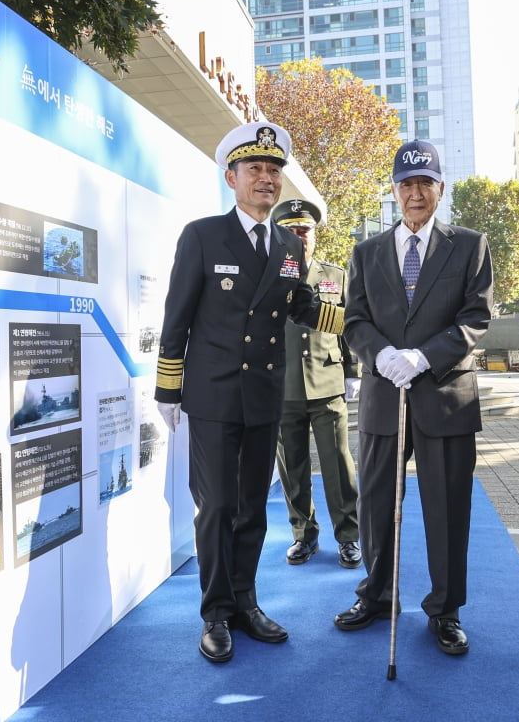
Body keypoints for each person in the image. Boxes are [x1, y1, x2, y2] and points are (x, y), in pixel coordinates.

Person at [154, 121, 346, 664]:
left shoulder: (288, 243)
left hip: (264, 394)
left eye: (274, 170)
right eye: (256, 169)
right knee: (215, 508)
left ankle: (245, 601)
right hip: (213, 396)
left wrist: (363, 320)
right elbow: (178, 316)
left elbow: (302, 306)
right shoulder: (202, 235)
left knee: (253, 510)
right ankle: (215, 613)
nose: (267, 179)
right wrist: (169, 389)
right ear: (231, 177)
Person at [332, 140, 494, 657]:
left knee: (447, 509)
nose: (416, 192)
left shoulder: (469, 245)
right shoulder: (367, 252)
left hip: (445, 395)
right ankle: (377, 595)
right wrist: (381, 355)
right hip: (384, 395)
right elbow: (354, 319)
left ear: (440, 188)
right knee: (378, 505)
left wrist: (423, 357)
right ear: (395, 192)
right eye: (406, 183)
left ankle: (445, 609)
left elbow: (476, 317)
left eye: (425, 183)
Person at [271, 199, 362, 569]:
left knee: (338, 464)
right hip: (282, 386)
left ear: (314, 235)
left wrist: (354, 373)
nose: (299, 237)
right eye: (291, 231)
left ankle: (348, 536)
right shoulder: (267, 276)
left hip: (327, 383)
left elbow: (351, 328)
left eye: (304, 230)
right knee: (292, 467)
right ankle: (303, 535)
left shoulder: (336, 276)